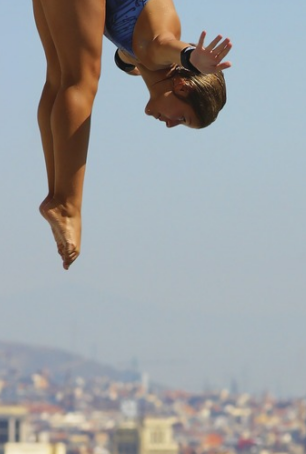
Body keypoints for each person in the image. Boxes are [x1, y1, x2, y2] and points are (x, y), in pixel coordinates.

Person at [33, 0, 232, 269]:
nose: (171, 125)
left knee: (60, 79)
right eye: (182, 118)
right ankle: (67, 205)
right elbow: (162, 44)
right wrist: (190, 55)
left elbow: (127, 59)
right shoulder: (157, 47)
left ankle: (59, 198)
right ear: (183, 87)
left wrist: (135, 64)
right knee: (80, 80)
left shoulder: (142, 58)